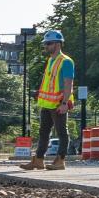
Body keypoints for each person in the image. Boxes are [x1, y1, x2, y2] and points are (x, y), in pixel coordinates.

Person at [32, 28, 75, 170]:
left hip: (58, 104)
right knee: (44, 132)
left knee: (62, 132)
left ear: (57, 44)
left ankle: (60, 160)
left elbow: (68, 83)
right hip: (47, 104)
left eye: (48, 43)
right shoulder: (51, 60)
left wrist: (64, 103)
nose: (46, 46)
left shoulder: (66, 61)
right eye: (45, 43)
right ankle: (38, 160)